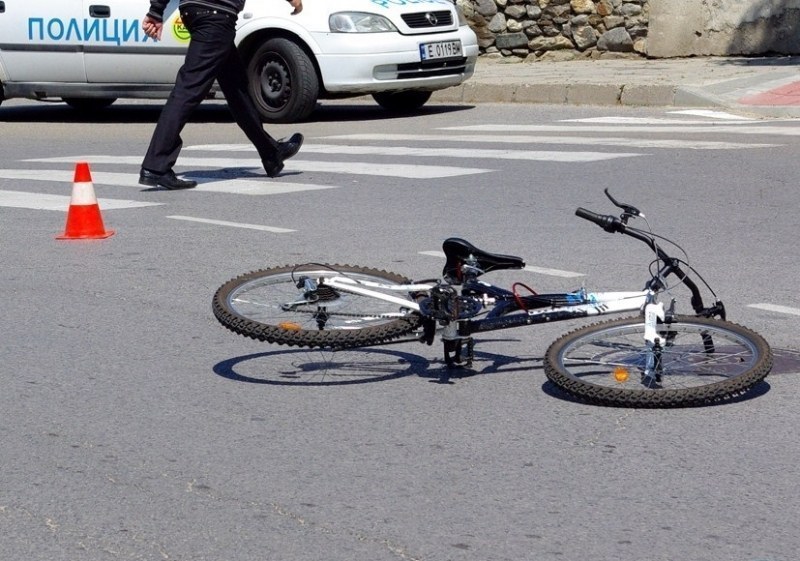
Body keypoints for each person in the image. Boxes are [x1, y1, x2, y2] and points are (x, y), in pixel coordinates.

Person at [139, 0, 304, 190]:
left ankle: (271, 153)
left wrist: (156, 10)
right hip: (216, 15)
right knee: (188, 89)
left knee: (236, 88)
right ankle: (155, 166)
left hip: (195, 12)